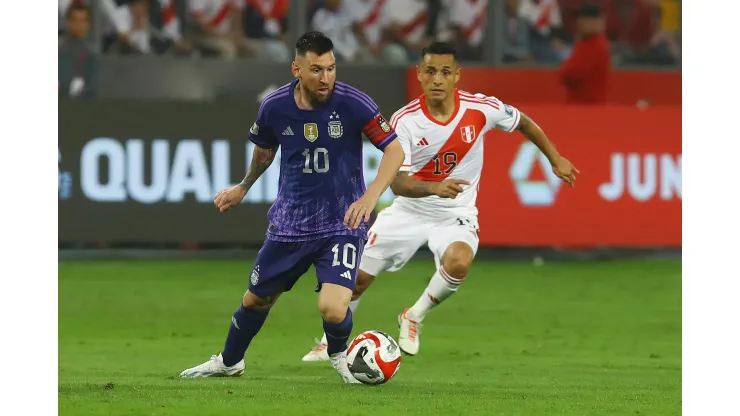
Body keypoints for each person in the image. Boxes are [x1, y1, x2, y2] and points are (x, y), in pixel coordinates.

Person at [302, 41, 578, 361]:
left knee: (460, 260)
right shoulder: (405, 121)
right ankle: (329, 340)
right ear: (419, 74)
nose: (437, 79)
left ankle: (414, 316)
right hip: (408, 211)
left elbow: (524, 123)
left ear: (456, 76)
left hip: (455, 213)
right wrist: (434, 188)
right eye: (430, 71)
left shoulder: (481, 109)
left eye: (445, 72)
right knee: (356, 281)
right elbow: (399, 184)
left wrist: (555, 159)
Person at [179, 31, 406, 383]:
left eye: (331, 68)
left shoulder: (353, 103)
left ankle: (339, 357)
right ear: (296, 69)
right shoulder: (275, 106)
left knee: (333, 308)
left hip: (342, 220)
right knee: (255, 300)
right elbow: (264, 152)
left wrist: (370, 196)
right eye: (317, 70)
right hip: (291, 222)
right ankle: (229, 362)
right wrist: (243, 186)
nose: (326, 78)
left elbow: (394, 150)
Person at [559, 4, 611, 104]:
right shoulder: (584, 42)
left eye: (583, 19)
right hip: (579, 106)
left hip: (589, 107)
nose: (579, 23)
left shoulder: (596, 44)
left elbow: (569, 74)